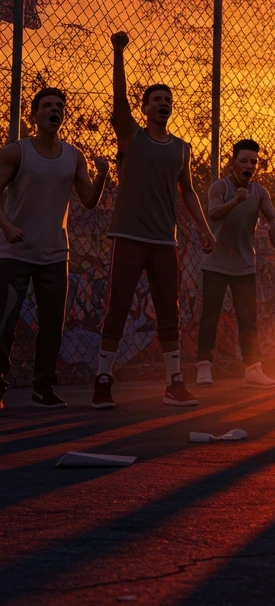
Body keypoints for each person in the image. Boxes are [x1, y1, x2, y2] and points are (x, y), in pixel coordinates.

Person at [92, 32, 215, 410]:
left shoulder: (181, 148)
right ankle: (103, 380)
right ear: (144, 107)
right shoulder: (131, 137)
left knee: (169, 308)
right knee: (118, 306)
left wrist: (206, 230)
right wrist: (117, 53)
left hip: (165, 240)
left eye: (168, 101)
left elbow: (189, 192)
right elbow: (116, 105)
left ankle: (174, 383)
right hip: (129, 235)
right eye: (156, 100)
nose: (163, 104)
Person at [0, 88, 108, 410]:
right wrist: (6, 227)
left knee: (52, 326)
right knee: (4, 322)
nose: (54, 109)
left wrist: (102, 175)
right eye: (47, 105)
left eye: (59, 105)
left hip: (54, 255)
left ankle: (42, 387)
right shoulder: (16, 152)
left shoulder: (74, 156)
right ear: (34, 115)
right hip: (13, 252)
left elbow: (89, 201)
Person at [196, 139, 275, 388]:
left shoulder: (260, 192)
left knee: (248, 319)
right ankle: (204, 366)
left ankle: (253, 369)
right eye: (244, 161)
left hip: (245, 264)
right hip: (215, 264)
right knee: (210, 316)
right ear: (232, 162)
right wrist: (235, 200)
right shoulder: (219, 187)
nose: (249, 165)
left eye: (253, 162)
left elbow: (274, 219)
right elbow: (212, 213)